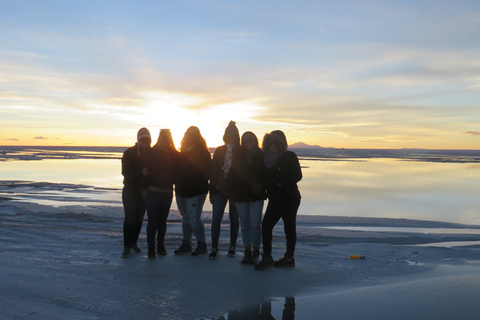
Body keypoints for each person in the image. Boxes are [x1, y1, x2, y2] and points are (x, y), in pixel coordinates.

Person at [255, 130, 302, 270]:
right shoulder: (265, 158)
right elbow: (263, 177)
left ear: (281, 143)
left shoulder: (289, 156)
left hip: (289, 198)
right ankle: (267, 257)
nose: (272, 145)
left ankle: (289, 257)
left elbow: (298, 175)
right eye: (269, 142)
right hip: (274, 199)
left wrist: (281, 183)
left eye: (275, 142)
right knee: (266, 225)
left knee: (289, 227)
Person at [174, 126, 211, 256]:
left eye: (194, 134)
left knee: (193, 218)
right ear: (185, 136)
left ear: (198, 136)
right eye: (189, 134)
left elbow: (207, 172)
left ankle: (202, 244)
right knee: (185, 219)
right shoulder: (181, 152)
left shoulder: (203, 153)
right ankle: (187, 243)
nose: (191, 136)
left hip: (196, 190)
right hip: (181, 190)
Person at [231, 131, 266, 264]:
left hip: (256, 195)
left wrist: (260, 185)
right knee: (244, 224)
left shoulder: (261, 155)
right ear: (242, 142)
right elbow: (233, 174)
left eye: (251, 140)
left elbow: (265, 174)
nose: (248, 143)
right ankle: (247, 250)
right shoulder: (238, 155)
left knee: (255, 224)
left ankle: (256, 249)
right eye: (246, 141)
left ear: (256, 140)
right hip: (240, 195)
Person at [142, 129, 177, 259]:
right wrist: (143, 187)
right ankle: (151, 248)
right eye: (163, 137)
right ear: (159, 138)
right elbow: (143, 172)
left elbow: (178, 172)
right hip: (152, 192)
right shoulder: (151, 152)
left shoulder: (174, 153)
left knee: (162, 221)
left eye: (167, 138)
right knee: (153, 221)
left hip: (167, 192)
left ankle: (160, 246)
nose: (165, 140)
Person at [209, 121, 241, 259]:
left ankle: (232, 246)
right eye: (229, 134)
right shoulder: (219, 150)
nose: (231, 136)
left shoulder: (241, 151)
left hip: (235, 191)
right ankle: (214, 247)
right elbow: (213, 171)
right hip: (220, 190)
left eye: (234, 134)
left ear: (237, 136)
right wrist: (212, 190)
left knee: (234, 219)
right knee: (216, 219)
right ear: (225, 135)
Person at [121, 127, 151, 258]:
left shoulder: (152, 153)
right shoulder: (129, 153)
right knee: (130, 218)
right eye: (142, 139)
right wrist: (140, 172)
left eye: (147, 139)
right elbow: (125, 173)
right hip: (130, 190)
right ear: (138, 140)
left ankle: (134, 242)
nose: (145, 141)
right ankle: (126, 246)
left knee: (139, 218)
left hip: (144, 192)